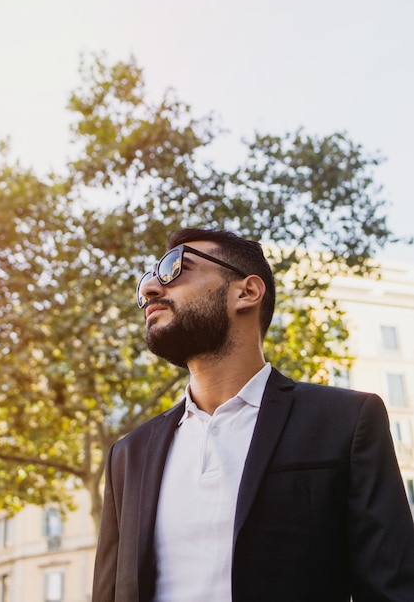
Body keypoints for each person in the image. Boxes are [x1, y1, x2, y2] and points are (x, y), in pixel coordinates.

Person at [92, 227, 414, 602]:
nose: (150, 289)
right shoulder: (128, 454)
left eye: (174, 269)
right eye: (147, 279)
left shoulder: (346, 420)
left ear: (246, 292)